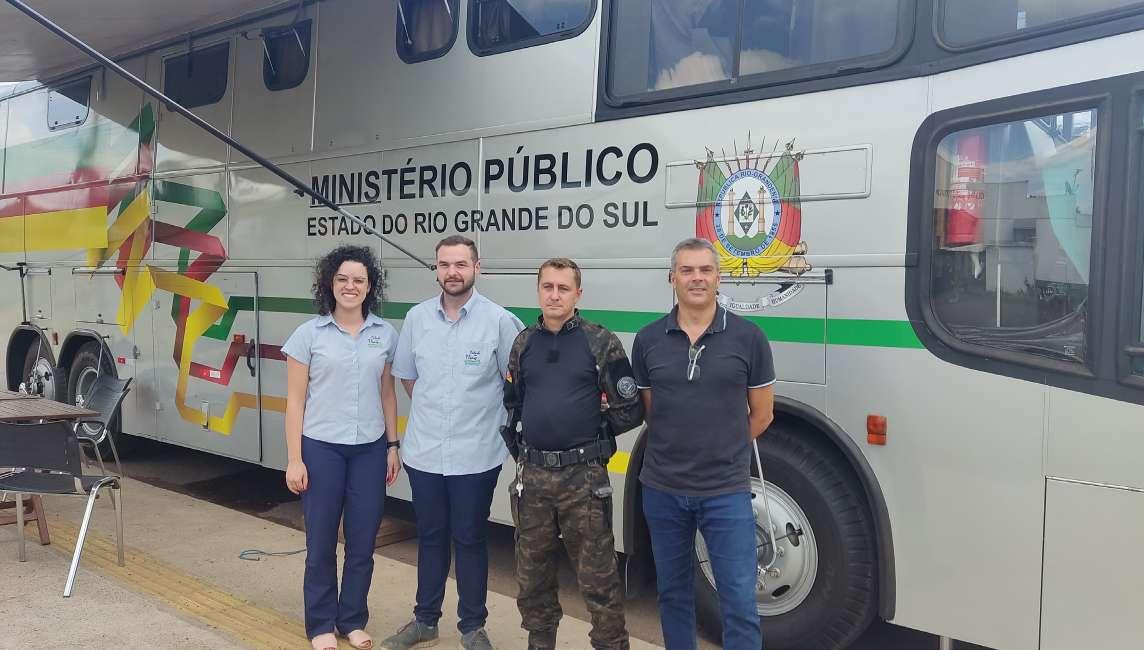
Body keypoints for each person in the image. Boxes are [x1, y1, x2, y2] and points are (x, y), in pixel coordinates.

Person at [630, 238, 776, 650]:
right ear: (672, 278)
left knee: (739, 600)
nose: (697, 278)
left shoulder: (749, 338)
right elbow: (653, 411)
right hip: (662, 490)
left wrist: (722, 449)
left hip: (724, 492)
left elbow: (762, 414)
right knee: (673, 594)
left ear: (718, 277)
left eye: (705, 270)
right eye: (687, 270)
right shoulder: (648, 339)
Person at [381, 235, 524, 650]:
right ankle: (425, 621)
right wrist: (438, 409)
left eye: (461, 264)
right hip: (425, 452)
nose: (452, 272)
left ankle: (472, 627)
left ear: (477, 267)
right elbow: (409, 378)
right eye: (444, 265)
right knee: (430, 536)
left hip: (476, 454)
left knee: (470, 537)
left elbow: (514, 384)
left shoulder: (500, 321)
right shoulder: (417, 318)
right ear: (436, 269)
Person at [503, 257, 644, 650]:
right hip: (532, 479)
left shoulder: (600, 341)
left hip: (583, 479)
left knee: (598, 578)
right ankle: (540, 642)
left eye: (563, 288)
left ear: (577, 294)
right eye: (547, 287)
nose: (554, 295)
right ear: (538, 291)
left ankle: (611, 644)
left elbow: (630, 408)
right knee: (532, 577)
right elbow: (515, 402)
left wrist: (594, 434)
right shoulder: (523, 343)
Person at [282, 245, 401, 650]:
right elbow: (295, 402)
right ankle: (320, 624)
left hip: (369, 450)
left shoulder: (384, 335)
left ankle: (351, 619)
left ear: (370, 286)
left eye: (359, 280)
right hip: (321, 449)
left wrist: (392, 445)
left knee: (362, 542)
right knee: (320, 542)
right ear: (329, 283)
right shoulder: (308, 335)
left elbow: (387, 394)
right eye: (343, 279)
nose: (351, 286)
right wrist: (295, 459)